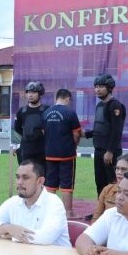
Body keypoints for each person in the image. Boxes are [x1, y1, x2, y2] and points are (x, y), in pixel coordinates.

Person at [0, 160, 70, 247]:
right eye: (18, 177)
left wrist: (12, 235)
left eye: (25, 178)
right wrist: (8, 228)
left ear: (40, 181)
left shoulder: (54, 203)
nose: (19, 182)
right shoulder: (13, 202)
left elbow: (46, 237)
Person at [84, 74, 126, 195]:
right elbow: (101, 128)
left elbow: (116, 130)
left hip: (110, 152)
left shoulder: (115, 105)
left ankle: (113, 210)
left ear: (110, 88)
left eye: (101, 86)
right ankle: (101, 211)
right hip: (98, 149)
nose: (97, 89)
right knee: (100, 182)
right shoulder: (99, 105)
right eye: (96, 86)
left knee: (112, 183)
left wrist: (110, 151)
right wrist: (85, 134)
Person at [42, 88, 82, 218]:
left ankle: (48, 212)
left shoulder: (46, 112)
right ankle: (68, 212)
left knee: (50, 184)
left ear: (56, 98)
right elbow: (77, 134)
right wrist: (73, 145)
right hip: (66, 154)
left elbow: (44, 132)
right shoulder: (70, 113)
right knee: (67, 184)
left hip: (49, 153)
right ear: (68, 99)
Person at [92, 154, 128, 224]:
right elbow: (96, 217)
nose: (119, 172)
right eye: (117, 168)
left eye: (123, 169)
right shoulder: (107, 190)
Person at [13, 81, 48, 170]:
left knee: (42, 177)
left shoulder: (46, 110)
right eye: (28, 92)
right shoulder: (22, 111)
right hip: (26, 150)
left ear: (40, 94)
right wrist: (27, 134)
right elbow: (17, 128)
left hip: (42, 151)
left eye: (33, 92)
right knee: (27, 176)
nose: (30, 95)